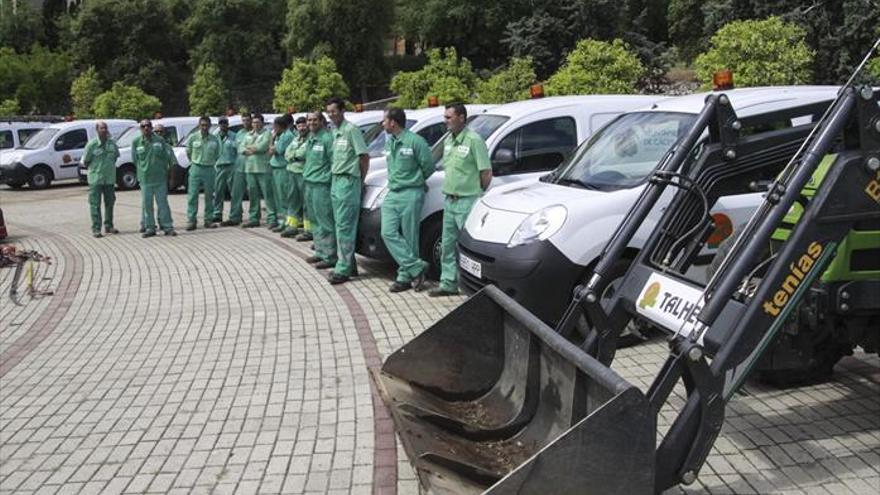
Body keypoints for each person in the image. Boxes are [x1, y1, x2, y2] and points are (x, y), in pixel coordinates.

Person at [430, 103, 492, 297]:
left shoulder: (474, 140)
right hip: (449, 201)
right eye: (445, 117)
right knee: (447, 246)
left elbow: (486, 172)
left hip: (467, 201)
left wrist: (476, 192)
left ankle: (472, 287)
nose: (445, 121)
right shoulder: (449, 140)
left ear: (461, 118)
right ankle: (448, 283)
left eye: (449, 117)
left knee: (468, 247)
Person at [380, 108, 434, 292]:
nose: (383, 124)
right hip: (393, 193)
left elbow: (429, 166)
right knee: (387, 232)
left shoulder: (415, 141)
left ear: (393, 122)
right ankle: (417, 267)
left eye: (384, 120)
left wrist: (417, 181)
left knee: (410, 236)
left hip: (411, 193)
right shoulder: (390, 143)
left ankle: (405, 276)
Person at [326, 97, 369, 284]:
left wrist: (360, 180)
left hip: (348, 182)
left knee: (344, 227)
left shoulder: (351, 130)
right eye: (328, 111)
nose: (330, 114)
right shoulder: (335, 132)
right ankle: (349, 265)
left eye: (334, 111)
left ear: (343, 111)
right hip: (336, 181)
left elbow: (364, 157)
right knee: (339, 226)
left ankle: (342, 269)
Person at [302, 111, 336, 268]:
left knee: (325, 221)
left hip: (321, 185)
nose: (311, 123)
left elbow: (333, 163)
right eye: (309, 120)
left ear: (322, 121)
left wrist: (326, 179)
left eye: (315, 120)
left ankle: (330, 256)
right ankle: (320, 251)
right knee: (314, 219)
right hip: (309, 183)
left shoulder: (327, 139)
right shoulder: (310, 138)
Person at [132, 119, 177, 238]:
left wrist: (170, 177)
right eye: (143, 126)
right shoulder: (136, 142)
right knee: (147, 205)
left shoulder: (160, 140)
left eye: (148, 125)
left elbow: (167, 159)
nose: (146, 128)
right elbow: (135, 160)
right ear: (140, 129)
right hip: (145, 179)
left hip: (160, 179)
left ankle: (168, 227)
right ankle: (150, 228)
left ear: (151, 128)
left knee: (163, 204)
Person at [82, 121, 121, 238]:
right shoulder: (92, 145)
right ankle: (96, 229)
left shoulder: (112, 144)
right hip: (96, 179)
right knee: (95, 204)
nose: (104, 130)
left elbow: (115, 157)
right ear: (97, 130)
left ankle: (109, 226)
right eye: (101, 128)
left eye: (105, 128)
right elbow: (86, 161)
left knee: (110, 203)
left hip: (109, 179)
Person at [185, 115, 221, 230]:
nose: (204, 127)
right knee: (192, 195)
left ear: (210, 126)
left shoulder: (214, 139)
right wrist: (194, 162)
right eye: (202, 125)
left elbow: (217, 154)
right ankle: (191, 220)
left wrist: (210, 162)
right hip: (196, 167)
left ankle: (208, 220)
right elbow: (188, 152)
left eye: (206, 125)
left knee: (209, 196)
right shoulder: (193, 137)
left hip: (209, 168)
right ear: (199, 125)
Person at [242, 114, 277, 228]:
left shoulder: (267, 134)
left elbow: (262, 147)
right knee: (253, 195)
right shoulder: (248, 134)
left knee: (268, 195)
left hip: (263, 169)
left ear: (262, 123)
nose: (255, 124)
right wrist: (251, 149)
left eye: (257, 122)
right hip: (250, 169)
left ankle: (272, 218)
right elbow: (240, 148)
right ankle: (254, 218)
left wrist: (250, 148)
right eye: (253, 122)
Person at [281, 116, 309, 238]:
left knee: (306, 202)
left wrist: (294, 156)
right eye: (299, 126)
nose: (301, 128)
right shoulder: (295, 139)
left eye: (303, 125)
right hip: (292, 173)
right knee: (292, 200)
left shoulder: (311, 139)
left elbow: (304, 154)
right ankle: (292, 226)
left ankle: (309, 230)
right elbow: (286, 153)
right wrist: (294, 156)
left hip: (303, 174)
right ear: (296, 127)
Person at [223, 112, 252, 226]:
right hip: (239, 166)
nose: (245, 122)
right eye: (243, 120)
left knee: (252, 193)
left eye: (247, 120)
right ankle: (235, 216)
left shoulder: (255, 133)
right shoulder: (239, 133)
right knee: (236, 193)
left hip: (251, 166)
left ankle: (254, 217)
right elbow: (236, 149)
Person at [269, 116, 294, 232]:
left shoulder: (287, 136)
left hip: (283, 169)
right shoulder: (281, 136)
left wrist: (272, 139)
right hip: (276, 168)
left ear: (279, 126)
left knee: (284, 197)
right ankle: (282, 221)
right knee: (278, 197)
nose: (273, 129)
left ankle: (286, 222)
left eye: (274, 127)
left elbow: (275, 150)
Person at [212, 117, 237, 223]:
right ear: (219, 125)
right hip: (218, 166)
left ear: (228, 124)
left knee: (234, 192)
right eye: (221, 123)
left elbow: (238, 151)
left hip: (231, 166)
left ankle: (235, 214)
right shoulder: (214, 136)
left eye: (225, 123)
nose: (223, 125)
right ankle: (217, 213)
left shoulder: (234, 136)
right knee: (218, 192)